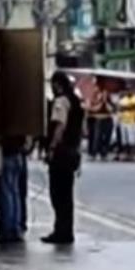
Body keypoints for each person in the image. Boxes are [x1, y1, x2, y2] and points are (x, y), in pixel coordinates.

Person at [44, 72, 84, 245]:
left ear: (58, 84)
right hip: (72, 151)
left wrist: (52, 147)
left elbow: (60, 126)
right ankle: (66, 230)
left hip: (61, 153)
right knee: (67, 195)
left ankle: (61, 231)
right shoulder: (76, 101)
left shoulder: (61, 101)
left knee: (58, 194)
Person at [0, 136, 28, 243]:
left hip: (7, 155)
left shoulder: (8, 127)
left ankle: (8, 228)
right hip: (18, 155)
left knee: (6, 193)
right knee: (15, 192)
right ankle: (16, 227)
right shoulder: (18, 126)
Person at [117, 88, 135, 161]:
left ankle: (132, 154)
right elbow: (120, 108)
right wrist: (126, 107)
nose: (128, 92)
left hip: (133, 121)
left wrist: (125, 107)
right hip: (123, 121)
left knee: (132, 139)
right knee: (124, 139)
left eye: (130, 90)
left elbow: (134, 106)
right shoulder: (123, 99)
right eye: (127, 90)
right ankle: (125, 154)